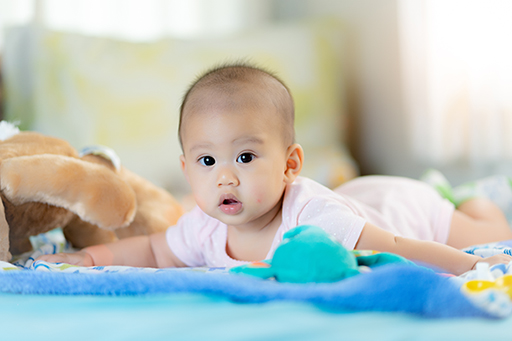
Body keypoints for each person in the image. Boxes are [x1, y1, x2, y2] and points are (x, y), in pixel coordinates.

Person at [38, 63, 512, 276]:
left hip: (401, 208)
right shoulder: (204, 227)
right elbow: (154, 252)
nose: (225, 176)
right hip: (363, 197)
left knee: (491, 230)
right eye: (208, 161)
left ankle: (468, 194)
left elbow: (398, 245)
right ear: (187, 171)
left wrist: (475, 264)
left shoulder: (314, 217)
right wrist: (92, 259)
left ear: (290, 165)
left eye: (245, 157)